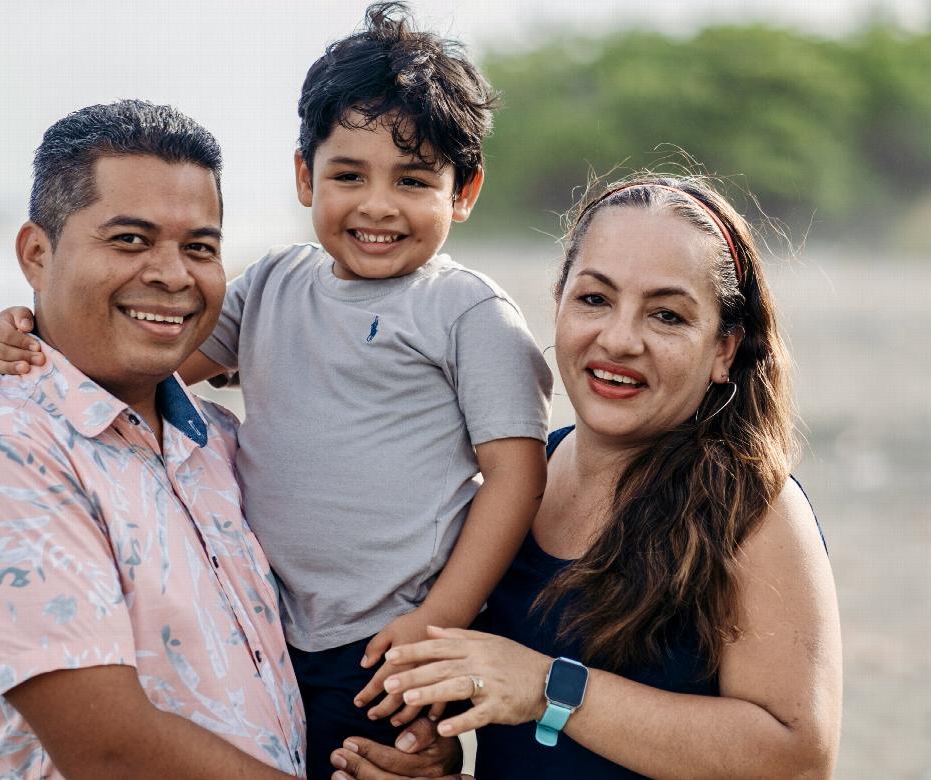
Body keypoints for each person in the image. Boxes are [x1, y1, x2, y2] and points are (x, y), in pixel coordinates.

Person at [0, 4, 552, 776]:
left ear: (464, 191)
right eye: (348, 175)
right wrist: (28, 337)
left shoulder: (467, 312)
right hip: (264, 625)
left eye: (413, 180)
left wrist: (438, 620)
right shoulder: (276, 282)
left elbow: (517, 475)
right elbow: (150, 353)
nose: (377, 205)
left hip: (386, 637)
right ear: (305, 175)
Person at [329, 175, 842, 779]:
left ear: (724, 350)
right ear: (559, 302)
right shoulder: (515, 486)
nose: (619, 340)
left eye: (667, 315)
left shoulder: (756, 508)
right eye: (595, 299)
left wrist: (550, 688)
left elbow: (798, 760)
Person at [0, 100, 319, 779]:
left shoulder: (218, 441)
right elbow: (111, 752)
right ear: (37, 254)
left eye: (200, 247)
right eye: (129, 239)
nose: (173, 274)